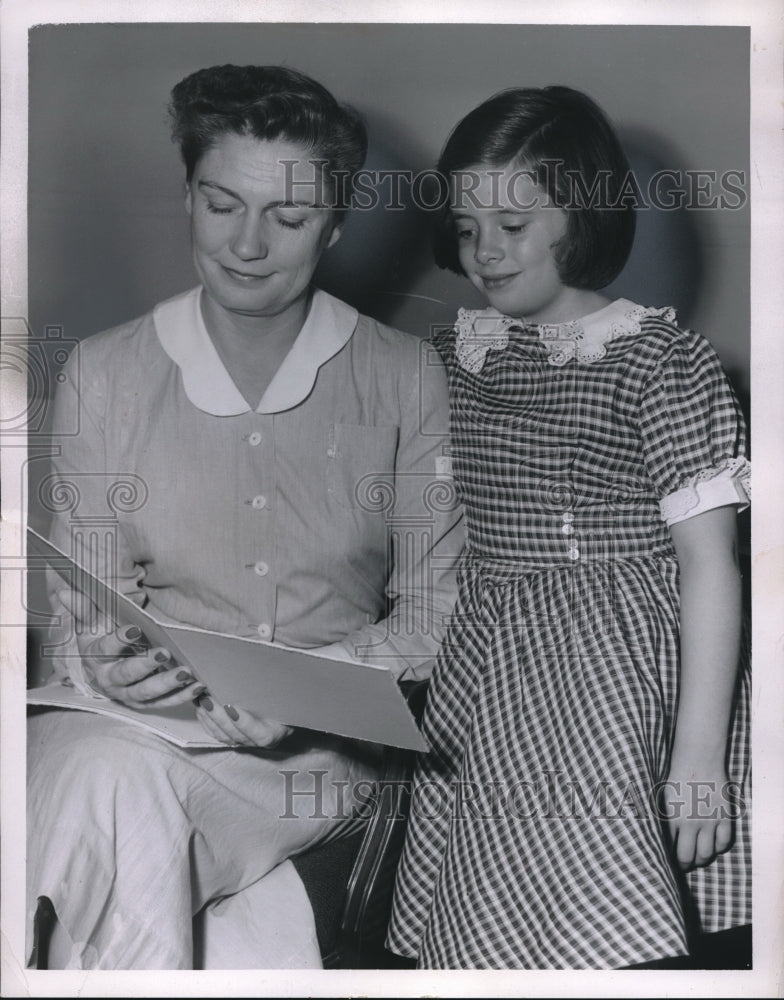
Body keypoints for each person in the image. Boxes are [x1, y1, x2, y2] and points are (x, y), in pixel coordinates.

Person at [26, 64, 463, 970]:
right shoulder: (103, 374)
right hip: (117, 728)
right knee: (97, 769)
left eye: (291, 217)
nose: (249, 244)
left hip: (309, 765)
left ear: (336, 224)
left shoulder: (407, 375)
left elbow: (437, 614)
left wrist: (304, 683)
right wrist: (100, 661)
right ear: (187, 194)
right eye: (222, 203)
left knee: (108, 791)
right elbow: (82, 603)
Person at [387, 85, 751, 969]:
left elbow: (711, 565)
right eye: (468, 228)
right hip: (492, 676)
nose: (483, 252)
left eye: (513, 226)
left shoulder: (661, 361)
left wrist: (696, 760)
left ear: (578, 216)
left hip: (617, 675)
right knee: (498, 933)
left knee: (609, 930)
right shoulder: (456, 356)